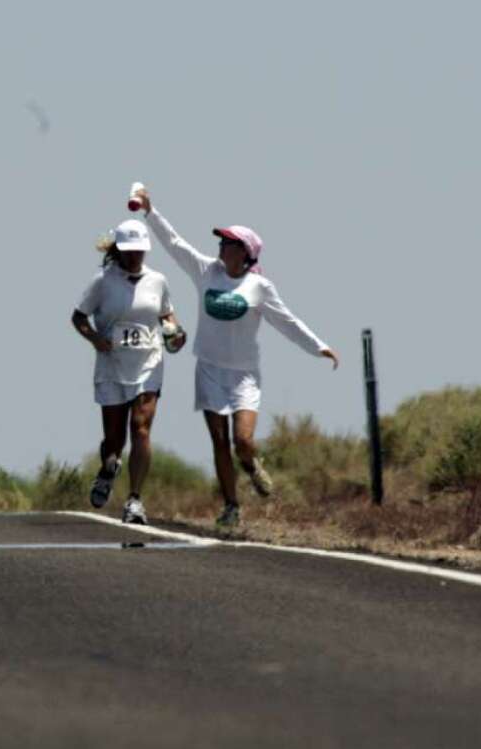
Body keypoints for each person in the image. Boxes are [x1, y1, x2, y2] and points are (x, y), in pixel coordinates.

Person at [133, 189, 339, 527]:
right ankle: (231, 505)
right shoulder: (206, 271)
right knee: (219, 441)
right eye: (222, 241)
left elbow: (287, 321)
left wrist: (319, 347)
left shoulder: (259, 287)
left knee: (242, 441)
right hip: (210, 369)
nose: (221, 247)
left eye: (229, 243)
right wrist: (150, 212)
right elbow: (174, 244)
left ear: (245, 253)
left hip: (244, 375)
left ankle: (252, 464)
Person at [71, 219, 186, 524]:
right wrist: (96, 339)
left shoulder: (158, 281)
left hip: (149, 363)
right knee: (114, 441)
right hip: (112, 365)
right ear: (118, 250)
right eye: (130, 251)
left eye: (140, 251)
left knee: (141, 428)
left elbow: (168, 317)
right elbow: (78, 317)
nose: (136, 257)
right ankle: (108, 469)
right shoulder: (102, 281)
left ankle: (134, 500)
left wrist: (176, 334)